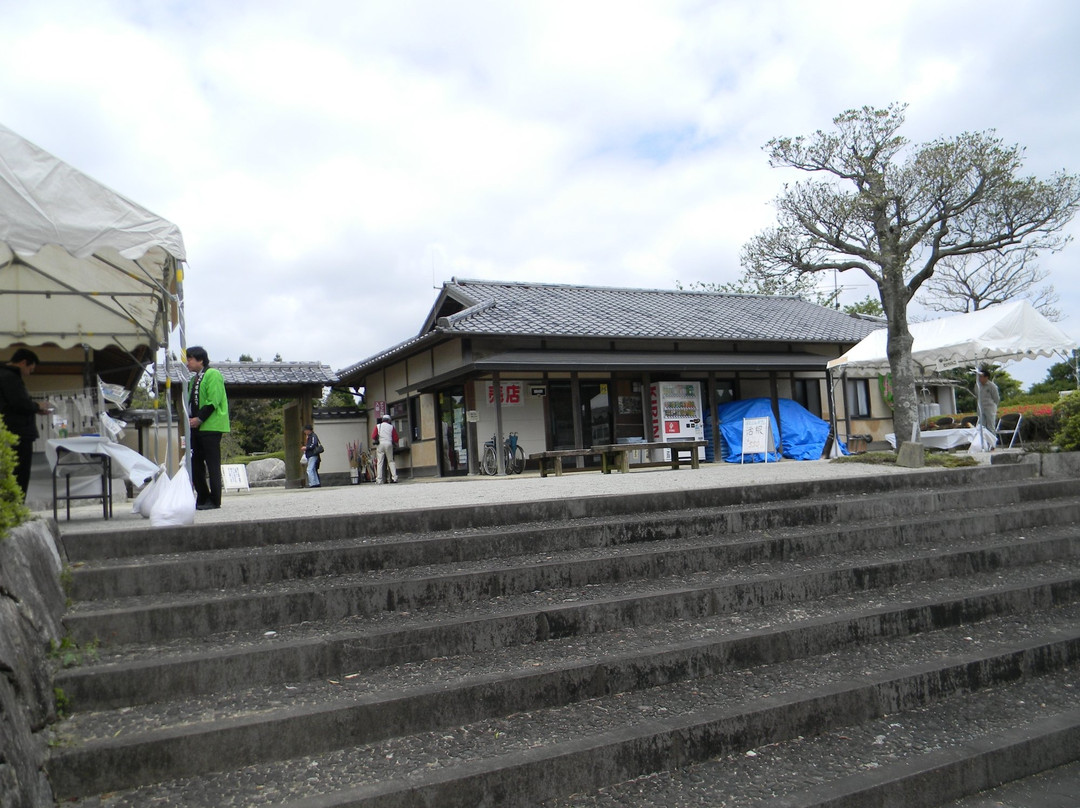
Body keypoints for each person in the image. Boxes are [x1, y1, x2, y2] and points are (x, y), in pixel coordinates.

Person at [0, 348, 52, 501]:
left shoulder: (6, 375)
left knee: (14, 471)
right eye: (30, 368)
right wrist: (38, 406)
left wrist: (34, 407)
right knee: (20, 472)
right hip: (18, 431)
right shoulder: (10, 377)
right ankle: (17, 505)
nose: (30, 372)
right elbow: (19, 403)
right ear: (23, 363)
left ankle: (14, 505)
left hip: (11, 429)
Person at [185, 346, 230, 510]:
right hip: (196, 427)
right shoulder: (193, 379)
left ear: (200, 360)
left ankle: (215, 499)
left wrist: (200, 418)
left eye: (189, 359)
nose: (187, 363)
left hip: (211, 425)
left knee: (212, 463)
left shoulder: (213, 374)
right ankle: (202, 495)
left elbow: (214, 400)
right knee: (195, 463)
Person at [371, 414, 399, 483]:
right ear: (389, 420)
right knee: (391, 461)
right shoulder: (391, 427)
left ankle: (379, 479)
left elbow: (373, 436)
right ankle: (394, 477)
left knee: (380, 462)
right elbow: (396, 438)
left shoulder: (378, 426)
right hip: (389, 444)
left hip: (380, 444)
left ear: (382, 420)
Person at [975, 368, 1000, 433]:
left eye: (981, 376)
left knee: (990, 426)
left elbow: (996, 398)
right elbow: (976, 395)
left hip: (990, 408)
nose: (979, 378)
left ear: (986, 377)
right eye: (979, 376)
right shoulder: (977, 386)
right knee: (981, 426)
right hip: (980, 408)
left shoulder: (992, 386)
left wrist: (993, 406)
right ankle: (983, 442)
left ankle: (992, 443)